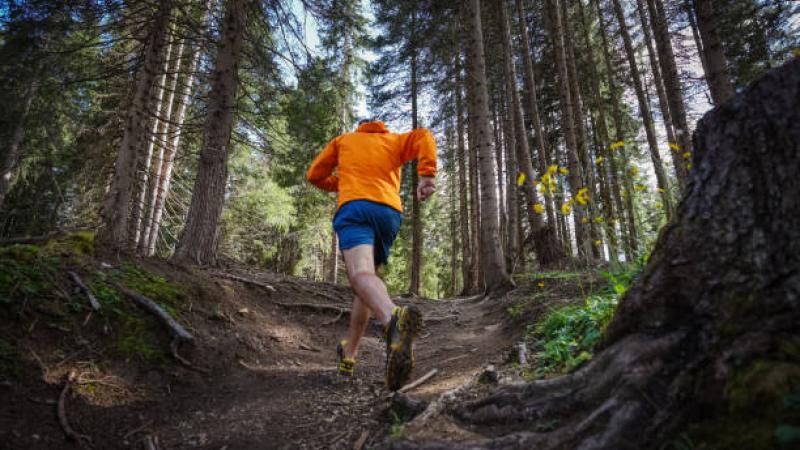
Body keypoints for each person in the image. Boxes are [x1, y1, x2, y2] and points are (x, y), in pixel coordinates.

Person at [306, 119, 437, 390]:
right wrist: (426, 175)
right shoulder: (394, 140)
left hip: (355, 209)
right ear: (381, 127)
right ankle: (350, 354)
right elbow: (424, 136)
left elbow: (314, 175)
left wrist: (343, 183)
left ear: (360, 127)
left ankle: (393, 318)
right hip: (388, 213)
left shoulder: (345, 140)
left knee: (361, 275)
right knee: (366, 284)